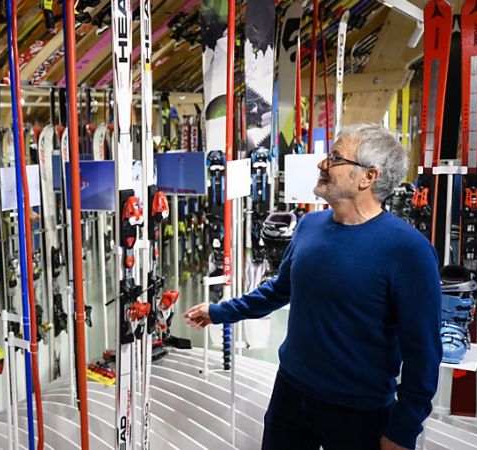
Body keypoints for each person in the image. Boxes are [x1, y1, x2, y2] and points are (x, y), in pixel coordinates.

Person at [185, 123, 442, 450]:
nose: (322, 164)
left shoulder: (409, 251)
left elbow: (424, 352)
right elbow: (279, 290)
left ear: (368, 177)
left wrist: (403, 430)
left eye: (335, 158)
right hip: (291, 394)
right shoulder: (309, 226)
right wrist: (219, 312)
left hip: (359, 411)